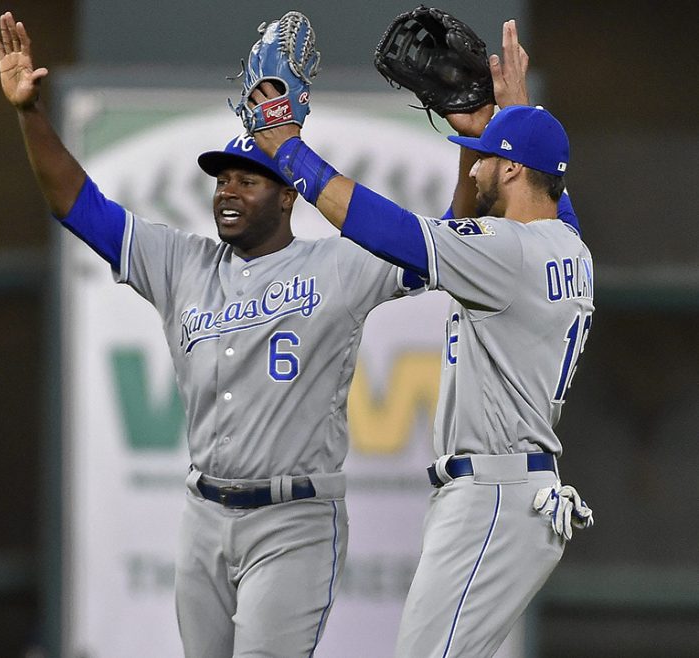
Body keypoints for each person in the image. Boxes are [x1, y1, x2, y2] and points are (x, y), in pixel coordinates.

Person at [0, 11, 429, 657]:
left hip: (294, 517)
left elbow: (433, 248)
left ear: (288, 197)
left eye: (247, 180)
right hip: (204, 513)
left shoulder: (341, 264)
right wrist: (30, 113)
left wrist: (476, 131)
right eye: (221, 179)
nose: (227, 191)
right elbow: (75, 205)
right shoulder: (180, 262)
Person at [249, 20, 595, 658]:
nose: (477, 163)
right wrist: (500, 119)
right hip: (516, 493)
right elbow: (536, 193)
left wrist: (289, 152)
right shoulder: (567, 243)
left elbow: (396, 233)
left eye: (491, 155)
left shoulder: (508, 252)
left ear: (516, 169)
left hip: (493, 495)